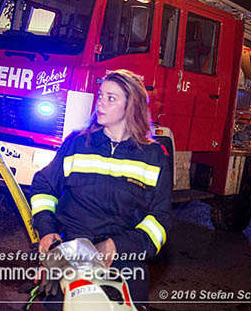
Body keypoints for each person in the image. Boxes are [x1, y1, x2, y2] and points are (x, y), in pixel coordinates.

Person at [30, 69, 171, 310]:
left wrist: (118, 245)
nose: (101, 104)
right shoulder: (77, 143)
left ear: (131, 106)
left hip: (125, 265)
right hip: (72, 256)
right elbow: (43, 186)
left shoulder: (154, 157)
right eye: (101, 96)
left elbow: (160, 221)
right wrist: (46, 229)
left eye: (111, 98)